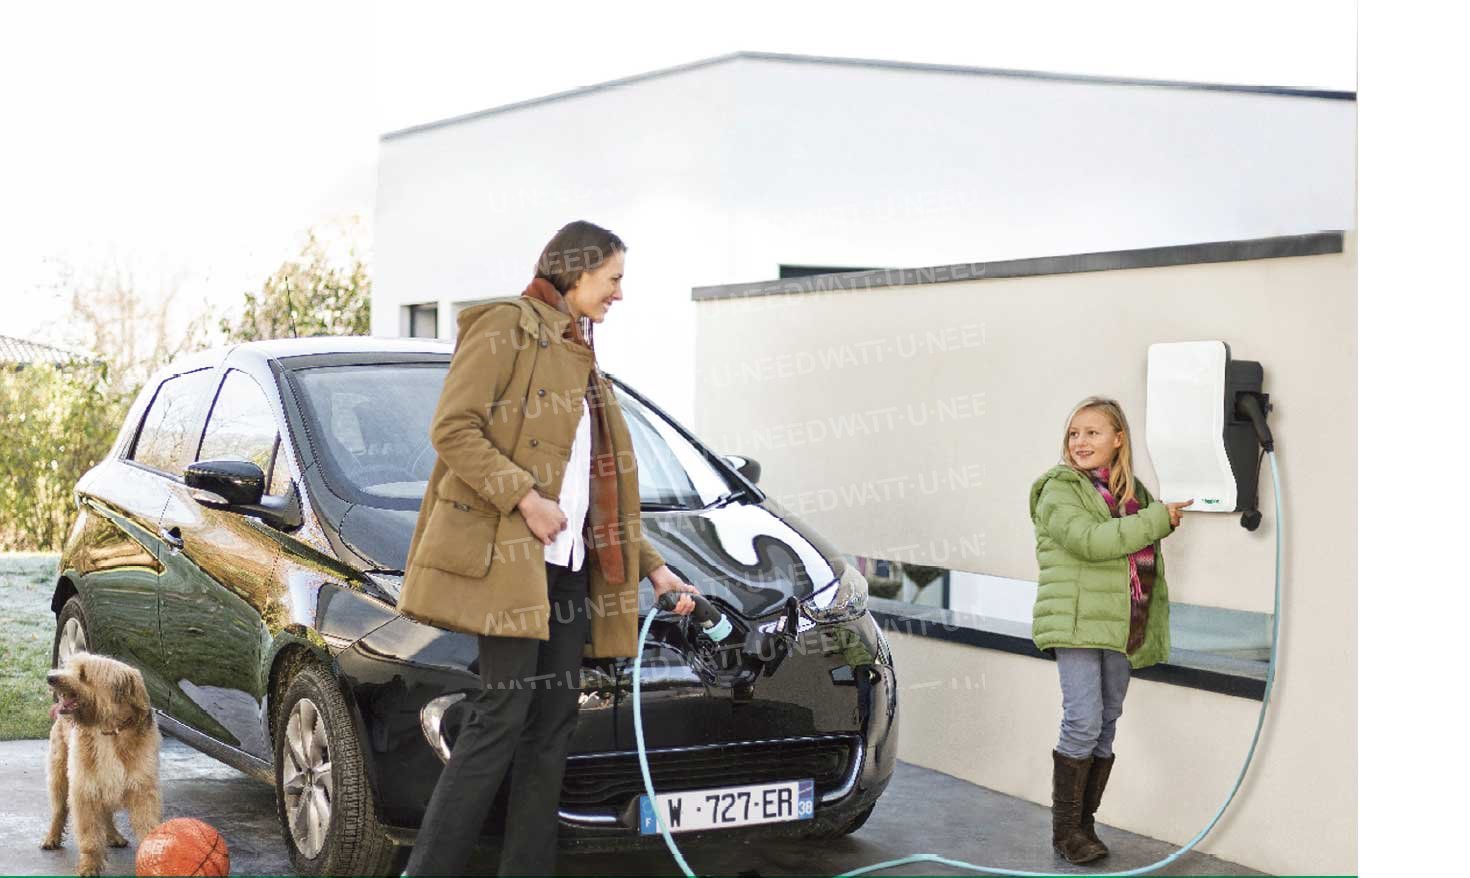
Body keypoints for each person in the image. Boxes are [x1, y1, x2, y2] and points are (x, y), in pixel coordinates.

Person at [396, 220, 699, 876]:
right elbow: (452, 426)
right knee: (499, 720)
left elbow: (601, 487)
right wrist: (524, 498)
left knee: (552, 726)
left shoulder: (583, 356)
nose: (620, 293)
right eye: (614, 278)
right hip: (511, 563)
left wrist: (655, 569)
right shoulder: (507, 326)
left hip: (569, 572)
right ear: (578, 270)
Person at [1028, 396, 1191, 865]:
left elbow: (1137, 553)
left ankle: (1085, 825)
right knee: (1082, 719)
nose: (1080, 442)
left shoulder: (1131, 493)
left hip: (1121, 625)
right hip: (1076, 623)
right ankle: (1065, 833)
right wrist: (1156, 520)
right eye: (1074, 433)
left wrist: (1153, 517)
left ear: (1118, 439)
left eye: (1092, 432)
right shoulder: (1058, 489)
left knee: (1106, 721)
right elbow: (1091, 542)